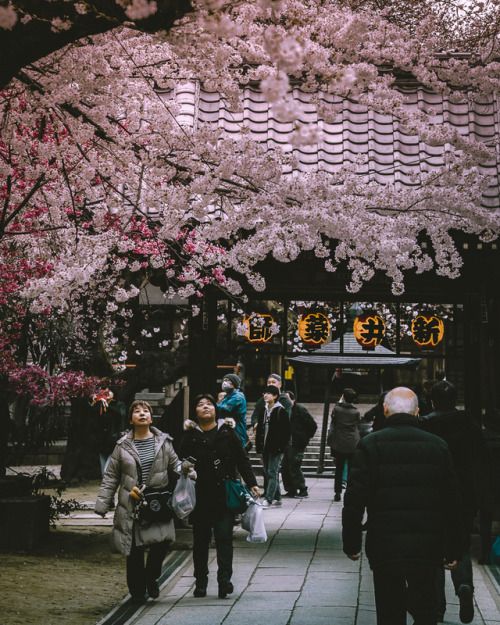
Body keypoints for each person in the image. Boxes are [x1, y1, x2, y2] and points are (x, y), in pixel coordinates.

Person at [342, 386, 463, 625]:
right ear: (417, 412)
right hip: (427, 544)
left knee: (389, 609)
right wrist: (454, 547)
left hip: (386, 542)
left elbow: (355, 498)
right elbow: (452, 500)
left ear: (385, 410)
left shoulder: (370, 444)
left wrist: (352, 542)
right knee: (426, 607)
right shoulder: (437, 445)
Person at [95, 400, 191, 604]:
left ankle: (151, 577)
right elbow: (111, 476)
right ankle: (137, 592)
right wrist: (103, 503)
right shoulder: (122, 446)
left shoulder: (163, 442)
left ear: (151, 417)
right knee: (135, 549)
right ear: (130, 419)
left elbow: (175, 464)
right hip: (132, 502)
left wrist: (187, 468)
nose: (141, 414)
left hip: (157, 501)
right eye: (136, 411)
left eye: (145, 411)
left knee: (162, 542)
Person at [419, 380, 490, 623]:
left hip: (433, 495)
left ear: (432, 401)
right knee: (460, 544)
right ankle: (464, 585)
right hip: (464, 496)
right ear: (455, 400)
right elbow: (483, 461)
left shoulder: (425, 425)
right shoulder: (470, 425)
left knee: (434, 548)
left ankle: (437, 606)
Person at [178, 394, 260, 599]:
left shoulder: (227, 432)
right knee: (201, 541)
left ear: (216, 410)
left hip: (224, 495)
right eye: (200, 405)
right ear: (195, 412)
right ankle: (201, 582)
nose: (205, 407)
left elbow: (242, 459)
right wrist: (186, 468)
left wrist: (252, 483)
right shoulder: (190, 436)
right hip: (199, 496)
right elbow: (179, 462)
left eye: (209, 404)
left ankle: (225, 581)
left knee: (224, 538)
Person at [255, 384, 291, 509]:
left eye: (269, 393)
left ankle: (269, 499)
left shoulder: (281, 411)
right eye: (264, 393)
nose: (265, 395)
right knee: (267, 472)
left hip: (276, 447)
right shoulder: (263, 410)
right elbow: (260, 429)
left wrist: (282, 448)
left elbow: (286, 432)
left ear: (275, 396)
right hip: (264, 446)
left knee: (272, 472)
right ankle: (278, 499)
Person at [327, 388, 361, 502]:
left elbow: (334, 420)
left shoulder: (337, 410)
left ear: (343, 397)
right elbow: (358, 424)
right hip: (352, 442)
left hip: (339, 442)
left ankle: (337, 492)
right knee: (351, 469)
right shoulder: (356, 412)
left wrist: (340, 402)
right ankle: (350, 491)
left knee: (339, 468)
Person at [282, 391, 317, 499]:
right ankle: (290, 489)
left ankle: (302, 489)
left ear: (293, 400)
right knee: (285, 467)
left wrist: (304, 438)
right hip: (286, 443)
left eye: (288, 399)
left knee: (294, 466)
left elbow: (312, 425)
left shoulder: (300, 410)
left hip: (297, 442)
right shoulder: (283, 410)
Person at [92, 386, 127, 477]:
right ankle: (107, 490)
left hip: (114, 442)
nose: (106, 393)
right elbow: (92, 420)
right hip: (101, 443)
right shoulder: (99, 406)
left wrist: (108, 407)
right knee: (104, 473)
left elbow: (121, 415)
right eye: (104, 392)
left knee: (107, 470)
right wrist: (94, 403)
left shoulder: (120, 405)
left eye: (109, 391)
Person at [217, 374, 248, 447]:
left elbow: (222, 409)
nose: (224, 383)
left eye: (227, 380)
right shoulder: (227, 396)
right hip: (227, 428)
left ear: (234, 383)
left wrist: (217, 403)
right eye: (224, 380)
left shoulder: (238, 397)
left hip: (236, 430)